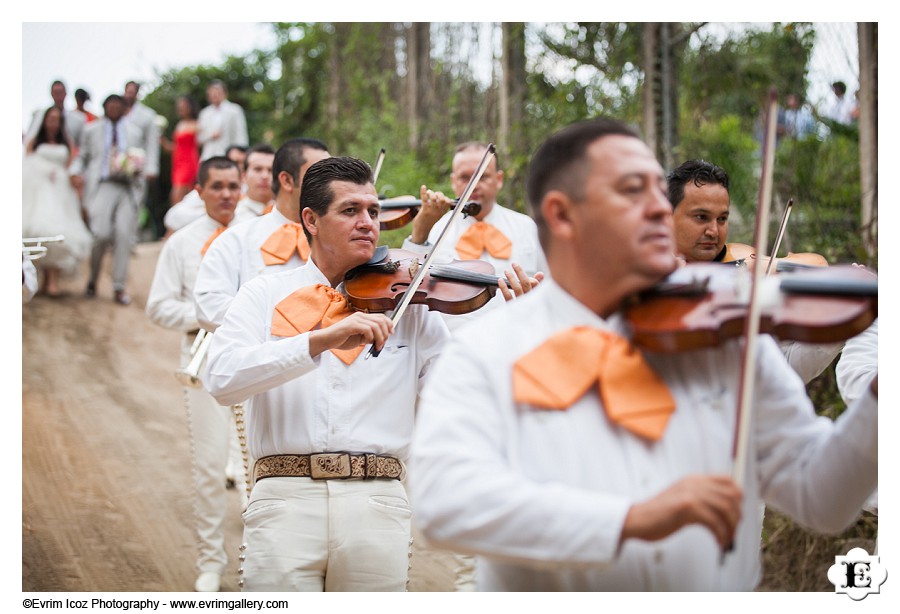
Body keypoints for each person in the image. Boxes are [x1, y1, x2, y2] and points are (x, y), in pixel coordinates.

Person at [408, 118, 877, 591]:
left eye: (659, 190)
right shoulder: (490, 348)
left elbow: (823, 497)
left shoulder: (724, 335)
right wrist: (630, 519)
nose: (659, 208)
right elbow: (445, 502)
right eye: (635, 190)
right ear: (564, 214)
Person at [204, 156, 450, 591]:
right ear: (311, 219)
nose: (368, 222)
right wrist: (319, 340)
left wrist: (521, 317)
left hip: (377, 501)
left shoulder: (409, 304)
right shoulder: (263, 294)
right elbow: (222, 379)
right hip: (283, 500)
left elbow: (455, 400)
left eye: (373, 211)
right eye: (350, 210)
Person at [146, 156, 254, 593]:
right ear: (200, 191)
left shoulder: (257, 238)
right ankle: (211, 562)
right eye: (218, 187)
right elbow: (158, 306)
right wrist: (206, 315)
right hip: (204, 356)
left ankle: (257, 560)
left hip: (252, 356)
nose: (227, 194)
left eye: (234, 186)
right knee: (210, 465)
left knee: (257, 463)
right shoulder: (182, 243)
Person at [667, 158, 842, 384]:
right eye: (701, 217)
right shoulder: (650, 275)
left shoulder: (747, 268)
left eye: (722, 219)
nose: (713, 231)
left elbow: (787, 365)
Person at [401, 141, 548, 332]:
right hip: (452, 349)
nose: (474, 185)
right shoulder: (437, 229)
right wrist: (420, 232)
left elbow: (553, 287)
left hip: (518, 342)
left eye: (483, 176)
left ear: (499, 179)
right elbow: (406, 288)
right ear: (453, 182)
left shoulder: (527, 227)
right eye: (464, 178)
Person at [194, 138, 330, 332]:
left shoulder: (339, 239)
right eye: (319, 176)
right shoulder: (235, 239)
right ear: (287, 180)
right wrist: (285, 320)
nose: (330, 184)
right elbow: (209, 307)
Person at [70, 94, 147, 305]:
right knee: (100, 234)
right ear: (104, 107)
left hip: (127, 188)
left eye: (118, 106)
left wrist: (137, 169)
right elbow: (82, 157)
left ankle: (119, 287)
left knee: (124, 235)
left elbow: (141, 158)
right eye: (110, 105)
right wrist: (75, 172)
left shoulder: (134, 132)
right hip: (102, 186)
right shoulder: (91, 130)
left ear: (124, 109)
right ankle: (93, 279)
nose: (114, 109)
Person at [22, 106, 93, 298]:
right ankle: (41, 278)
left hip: (61, 191)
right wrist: (43, 173)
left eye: (57, 119)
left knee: (59, 233)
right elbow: (26, 164)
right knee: (40, 231)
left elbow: (71, 165)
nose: (53, 122)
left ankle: (52, 279)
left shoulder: (66, 142)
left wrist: (71, 180)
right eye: (50, 118)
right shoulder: (35, 142)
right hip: (39, 191)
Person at [160, 95, 201, 206]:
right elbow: (175, 148)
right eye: (179, 106)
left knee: (177, 196)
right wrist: (162, 141)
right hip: (177, 163)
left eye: (184, 106)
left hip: (189, 163)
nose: (181, 109)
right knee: (181, 197)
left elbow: (202, 142)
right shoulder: (179, 125)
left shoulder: (197, 124)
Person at [25, 80, 86, 150]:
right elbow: (29, 139)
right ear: (51, 94)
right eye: (56, 92)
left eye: (61, 92)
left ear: (65, 93)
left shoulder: (79, 119)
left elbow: (83, 146)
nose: (59, 96)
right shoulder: (40, 115)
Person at [197, 80, 248, 160]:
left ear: (224, 93)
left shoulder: (235, 110)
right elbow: (199, 138)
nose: (214, 95)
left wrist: (239, 151)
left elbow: (240, 134)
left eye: (217, 92)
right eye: (212, 92)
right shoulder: (204, 113)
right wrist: (211, 135)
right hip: (208, 157)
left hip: (228, 156)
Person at [236, 144, 276, 216]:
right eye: (258, 169)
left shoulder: (289, 215)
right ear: (244, 176)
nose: (265, 176)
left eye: (270, 170)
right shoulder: (232, 216)